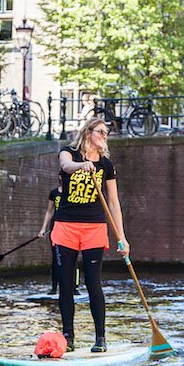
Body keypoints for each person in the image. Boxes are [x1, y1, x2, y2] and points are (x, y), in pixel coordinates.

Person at [51, 116, 129, 353]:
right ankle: (68, 337)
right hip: (65, 226)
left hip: (94, 228)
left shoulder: (106, 165)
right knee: (66, 284)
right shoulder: (69, 153)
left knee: (93, 283)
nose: (104, 136)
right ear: (88, 132)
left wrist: (122, 237)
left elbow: (113, 203)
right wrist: (80, 166)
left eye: (106, 133)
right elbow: (66, 166)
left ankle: (100, 338)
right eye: (100, 132)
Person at [38, 181, 63, 295]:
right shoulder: (54, 193)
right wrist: (43, 229)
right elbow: (49, 212)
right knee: (56, 259)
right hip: (55, 228)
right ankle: (54, 288)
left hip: (69, 227)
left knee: (72, 259)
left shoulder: (72, 192)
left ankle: (74, 288)